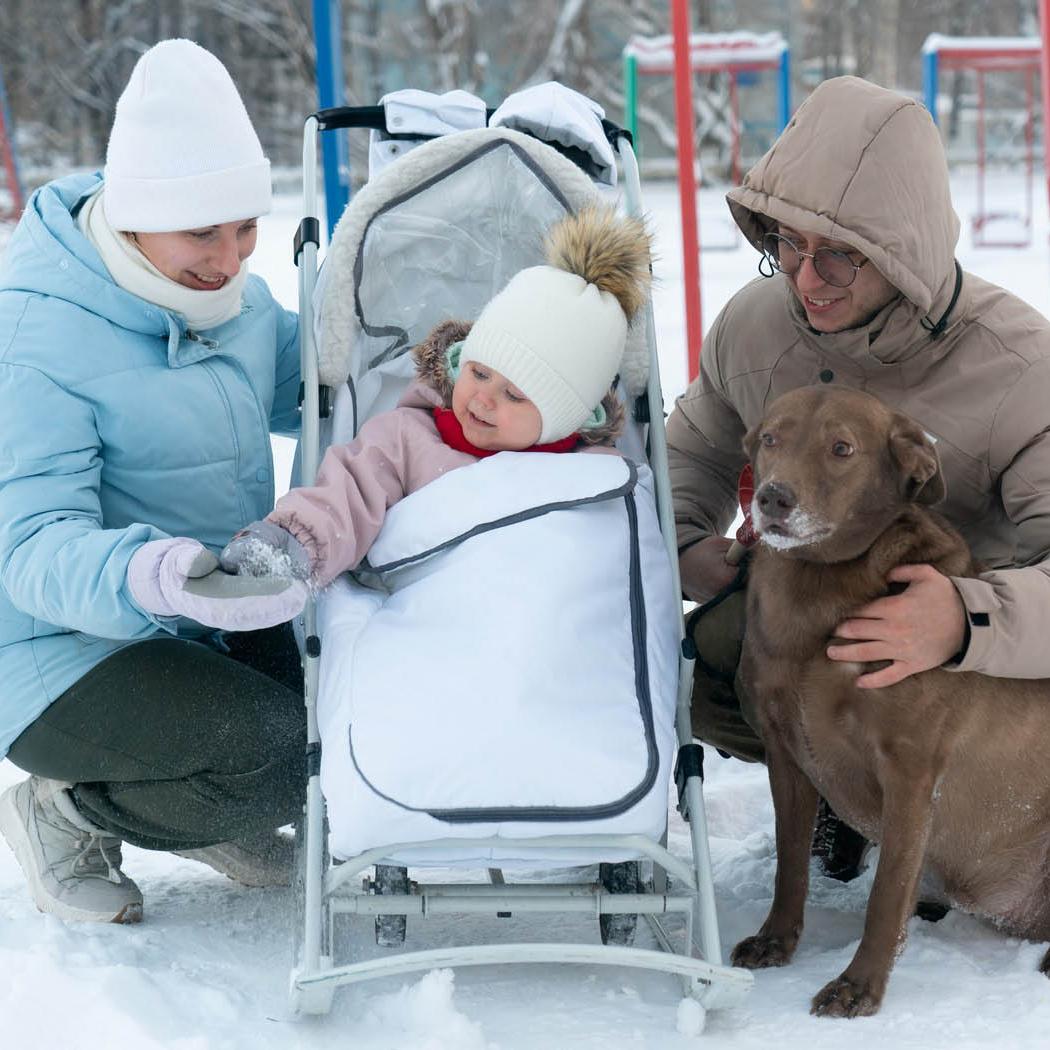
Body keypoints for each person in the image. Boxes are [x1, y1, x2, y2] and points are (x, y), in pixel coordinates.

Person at [666, 75, 1050, 879]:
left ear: (904, 253)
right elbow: (692, 453)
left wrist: (967, 619)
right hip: (818, 610)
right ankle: (846, 802)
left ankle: (985, 830)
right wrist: (688, 544)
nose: (806, 279)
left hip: (976, 669)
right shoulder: (756, 326)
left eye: (840, 255)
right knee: (703, 662)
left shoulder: (1020, 370)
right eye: (789, 245)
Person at [0, 39, 309, 924]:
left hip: (203, 608)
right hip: (59, 651)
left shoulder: (236, 305)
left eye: (245, 228)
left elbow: (323, 388)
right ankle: (62, 810)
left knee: (345, 711)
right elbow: (28, 552)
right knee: (274, 755)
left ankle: (207, 806)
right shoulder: (37, 340)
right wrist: (153, 575)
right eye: (202, 233)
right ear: (136, 217)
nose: (230, 258)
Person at [219, 205, 651, 589]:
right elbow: (347, 496)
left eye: (514, 395)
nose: (483, 399)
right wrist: (293, 541)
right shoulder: (408, 437)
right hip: (430, 611)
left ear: (567, 418)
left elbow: (615, 571)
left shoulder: (598, 477)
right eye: (478, 373)